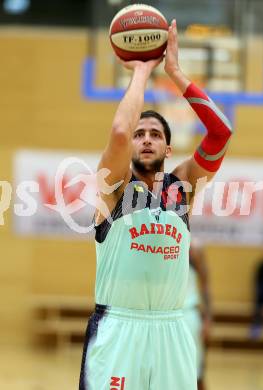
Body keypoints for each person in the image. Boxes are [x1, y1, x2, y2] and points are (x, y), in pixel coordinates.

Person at [79, 19, 233, 390]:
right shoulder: (113, 188)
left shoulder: (183, 189)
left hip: (173, 329)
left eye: (155, 135)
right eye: (140, 134)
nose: (145, 140)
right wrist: (142, 70)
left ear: (168, 148)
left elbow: (221, 133)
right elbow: (118, 132)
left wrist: (176, 73)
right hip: (119, 329)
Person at [184, 243, 211, 390]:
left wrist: (208, 320)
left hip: (191, 315)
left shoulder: (195, 250)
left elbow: (206, 288)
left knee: (196, 370)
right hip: (169, 317)